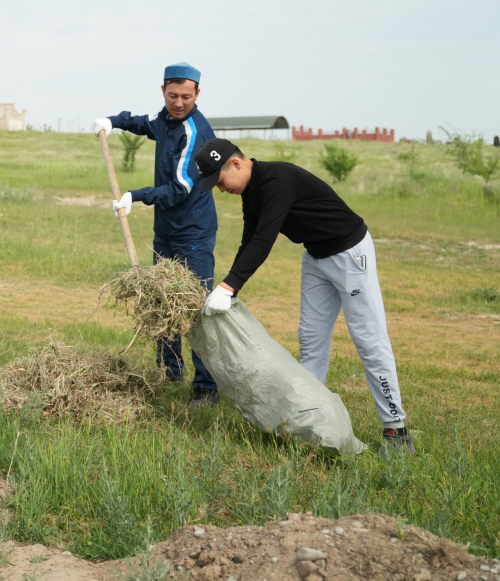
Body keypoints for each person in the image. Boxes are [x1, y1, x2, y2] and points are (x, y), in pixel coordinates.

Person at [194, 138, 414, 454]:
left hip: (350, 255)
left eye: (219, 181)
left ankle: (397, 432)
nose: (220, 189)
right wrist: (228, 287)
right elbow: (249, 242)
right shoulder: (251, 193)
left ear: (236, 164)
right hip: (316, 259)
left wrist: (229, 286)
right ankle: (314, 423)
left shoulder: (276, 181)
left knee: (369, 341)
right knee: (311, 341)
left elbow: (265, 239)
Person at [93, 61, 220, 408]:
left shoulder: (195, 133)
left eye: (186, 97)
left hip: (193, 233)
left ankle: (206, 389)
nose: (179, 103)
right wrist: (113, 122)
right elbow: (144, 124)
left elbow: (180, 187)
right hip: (166, 231)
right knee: (161, 301)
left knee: (194, 309)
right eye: (173, 95)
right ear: (163, 90)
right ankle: (169, 373)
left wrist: (136, 195)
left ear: (197, 94)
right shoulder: (166, 119)